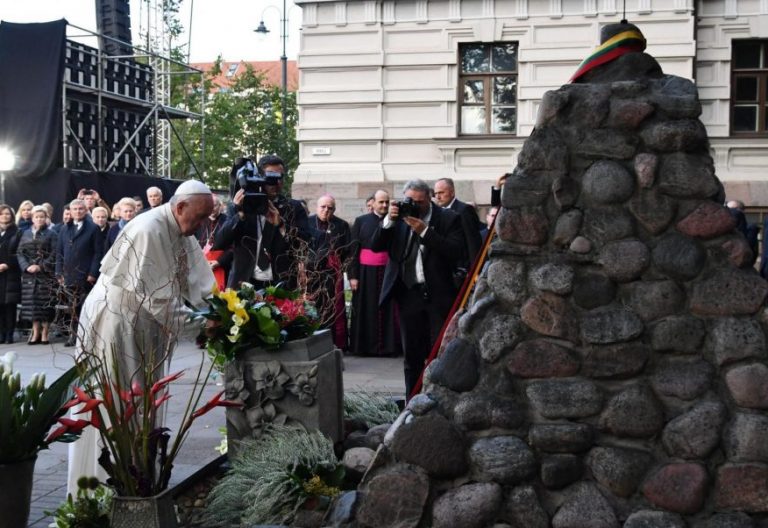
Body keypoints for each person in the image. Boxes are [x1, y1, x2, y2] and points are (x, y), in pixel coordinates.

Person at [67, 180, 216, 495]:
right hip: (114, 324)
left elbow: (199, 279)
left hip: (142, 325)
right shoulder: (150, 229)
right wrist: (205, 326)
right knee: (114, 404)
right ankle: (102, 491)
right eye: (200, 217)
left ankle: (137, 484)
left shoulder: (180, 226)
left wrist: (224, 312)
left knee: (138, 404)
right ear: (180, 207)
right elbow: (160, 300)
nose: (203, 226)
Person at [372, 179, 464, 397]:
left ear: (429, 198)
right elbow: (376, 245)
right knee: (412, 356)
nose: (414, 206)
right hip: (408, 294)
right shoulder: (398, 218)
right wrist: (389, 221)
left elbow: (456, 251)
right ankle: (411, 402)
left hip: (438, 295)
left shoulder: (449, 218)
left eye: (420, 202)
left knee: (441, 353)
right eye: (410, 201)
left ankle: (441, 400)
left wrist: (426, 232)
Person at [215, 155, 310, 289]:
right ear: (259, 177)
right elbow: (220, 242)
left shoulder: (293, 208)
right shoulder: (240, 206)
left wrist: (281, 225)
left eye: (280, 177)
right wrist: (239, 213)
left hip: (281, 285)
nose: (276, 183)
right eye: (271, 177)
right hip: (244, 283)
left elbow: (305, 245)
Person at [348, 189, 401, 357]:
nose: (384, 205)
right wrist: (353, 275)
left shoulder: (397, 221)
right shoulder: (361, 221)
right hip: (365, 273)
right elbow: (353, 251)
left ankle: (389, 347)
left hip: (388, 271)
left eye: (387, 202)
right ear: (373, 203)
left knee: (389, 310)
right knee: (366, 309)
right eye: (381, 202)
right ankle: (365, 347)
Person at [55, 199, 104, 346]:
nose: (77, 211)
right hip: (69, 275)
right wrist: (59, 272)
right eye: (74, 209)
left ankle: (87, 336)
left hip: (86, 275)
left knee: (85, 307)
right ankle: (73, 335)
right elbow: (59, 252)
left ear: (85, 210)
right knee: (72, 308)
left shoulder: (93, 228)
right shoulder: (65, 228)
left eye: (80, 209)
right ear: (70, 211)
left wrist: (93, 273)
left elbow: (98, 253)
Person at [307, 194, 352, 351]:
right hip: (311, 274)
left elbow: (347, 250)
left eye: (330, 208)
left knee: (333, 308)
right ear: (317, 207)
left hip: (333, 274)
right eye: (323, 207)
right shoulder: (307, 223)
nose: (326, 210)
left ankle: (335, 342)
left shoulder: (342, 225)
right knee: (313, 307)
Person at [17, 206, 57, 344]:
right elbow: (20, 253)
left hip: (44, 274)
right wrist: (27, 267)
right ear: (32, 218)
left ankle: (45, 333)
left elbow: (54, 253)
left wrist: (40, 266)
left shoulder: (52, 234)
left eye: (42, 217)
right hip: (29, 275)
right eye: (36, 217)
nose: (39, 219)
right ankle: (35, 332)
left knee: (45, 305)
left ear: (46, 218)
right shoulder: (26, 233)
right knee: (32, 305)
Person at [433, 178, 482, 271]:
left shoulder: (464, 210)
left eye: (441, 193)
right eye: (435, 194)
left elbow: (473, 242)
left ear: (452, 192)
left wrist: (475, 271)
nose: (438, 197)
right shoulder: (437, 212)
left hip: (462, 268)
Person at [196, 193, 232, 290]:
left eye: (215, 205)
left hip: (221, 266)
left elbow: (233, 247)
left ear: (220, 206)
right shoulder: (200, 221)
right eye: (209, 206)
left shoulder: (228, 221)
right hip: (202, 266)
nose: (212, 209)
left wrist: (219, 262)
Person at [0, 205, 21, 343]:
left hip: (10, 273)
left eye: (8, 214)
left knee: (9, 305)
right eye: (2, 214)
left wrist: (7, 264)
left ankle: (9, 334)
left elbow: (19, 252)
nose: (5, 216)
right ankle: (1, 334)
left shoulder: (17, 232)